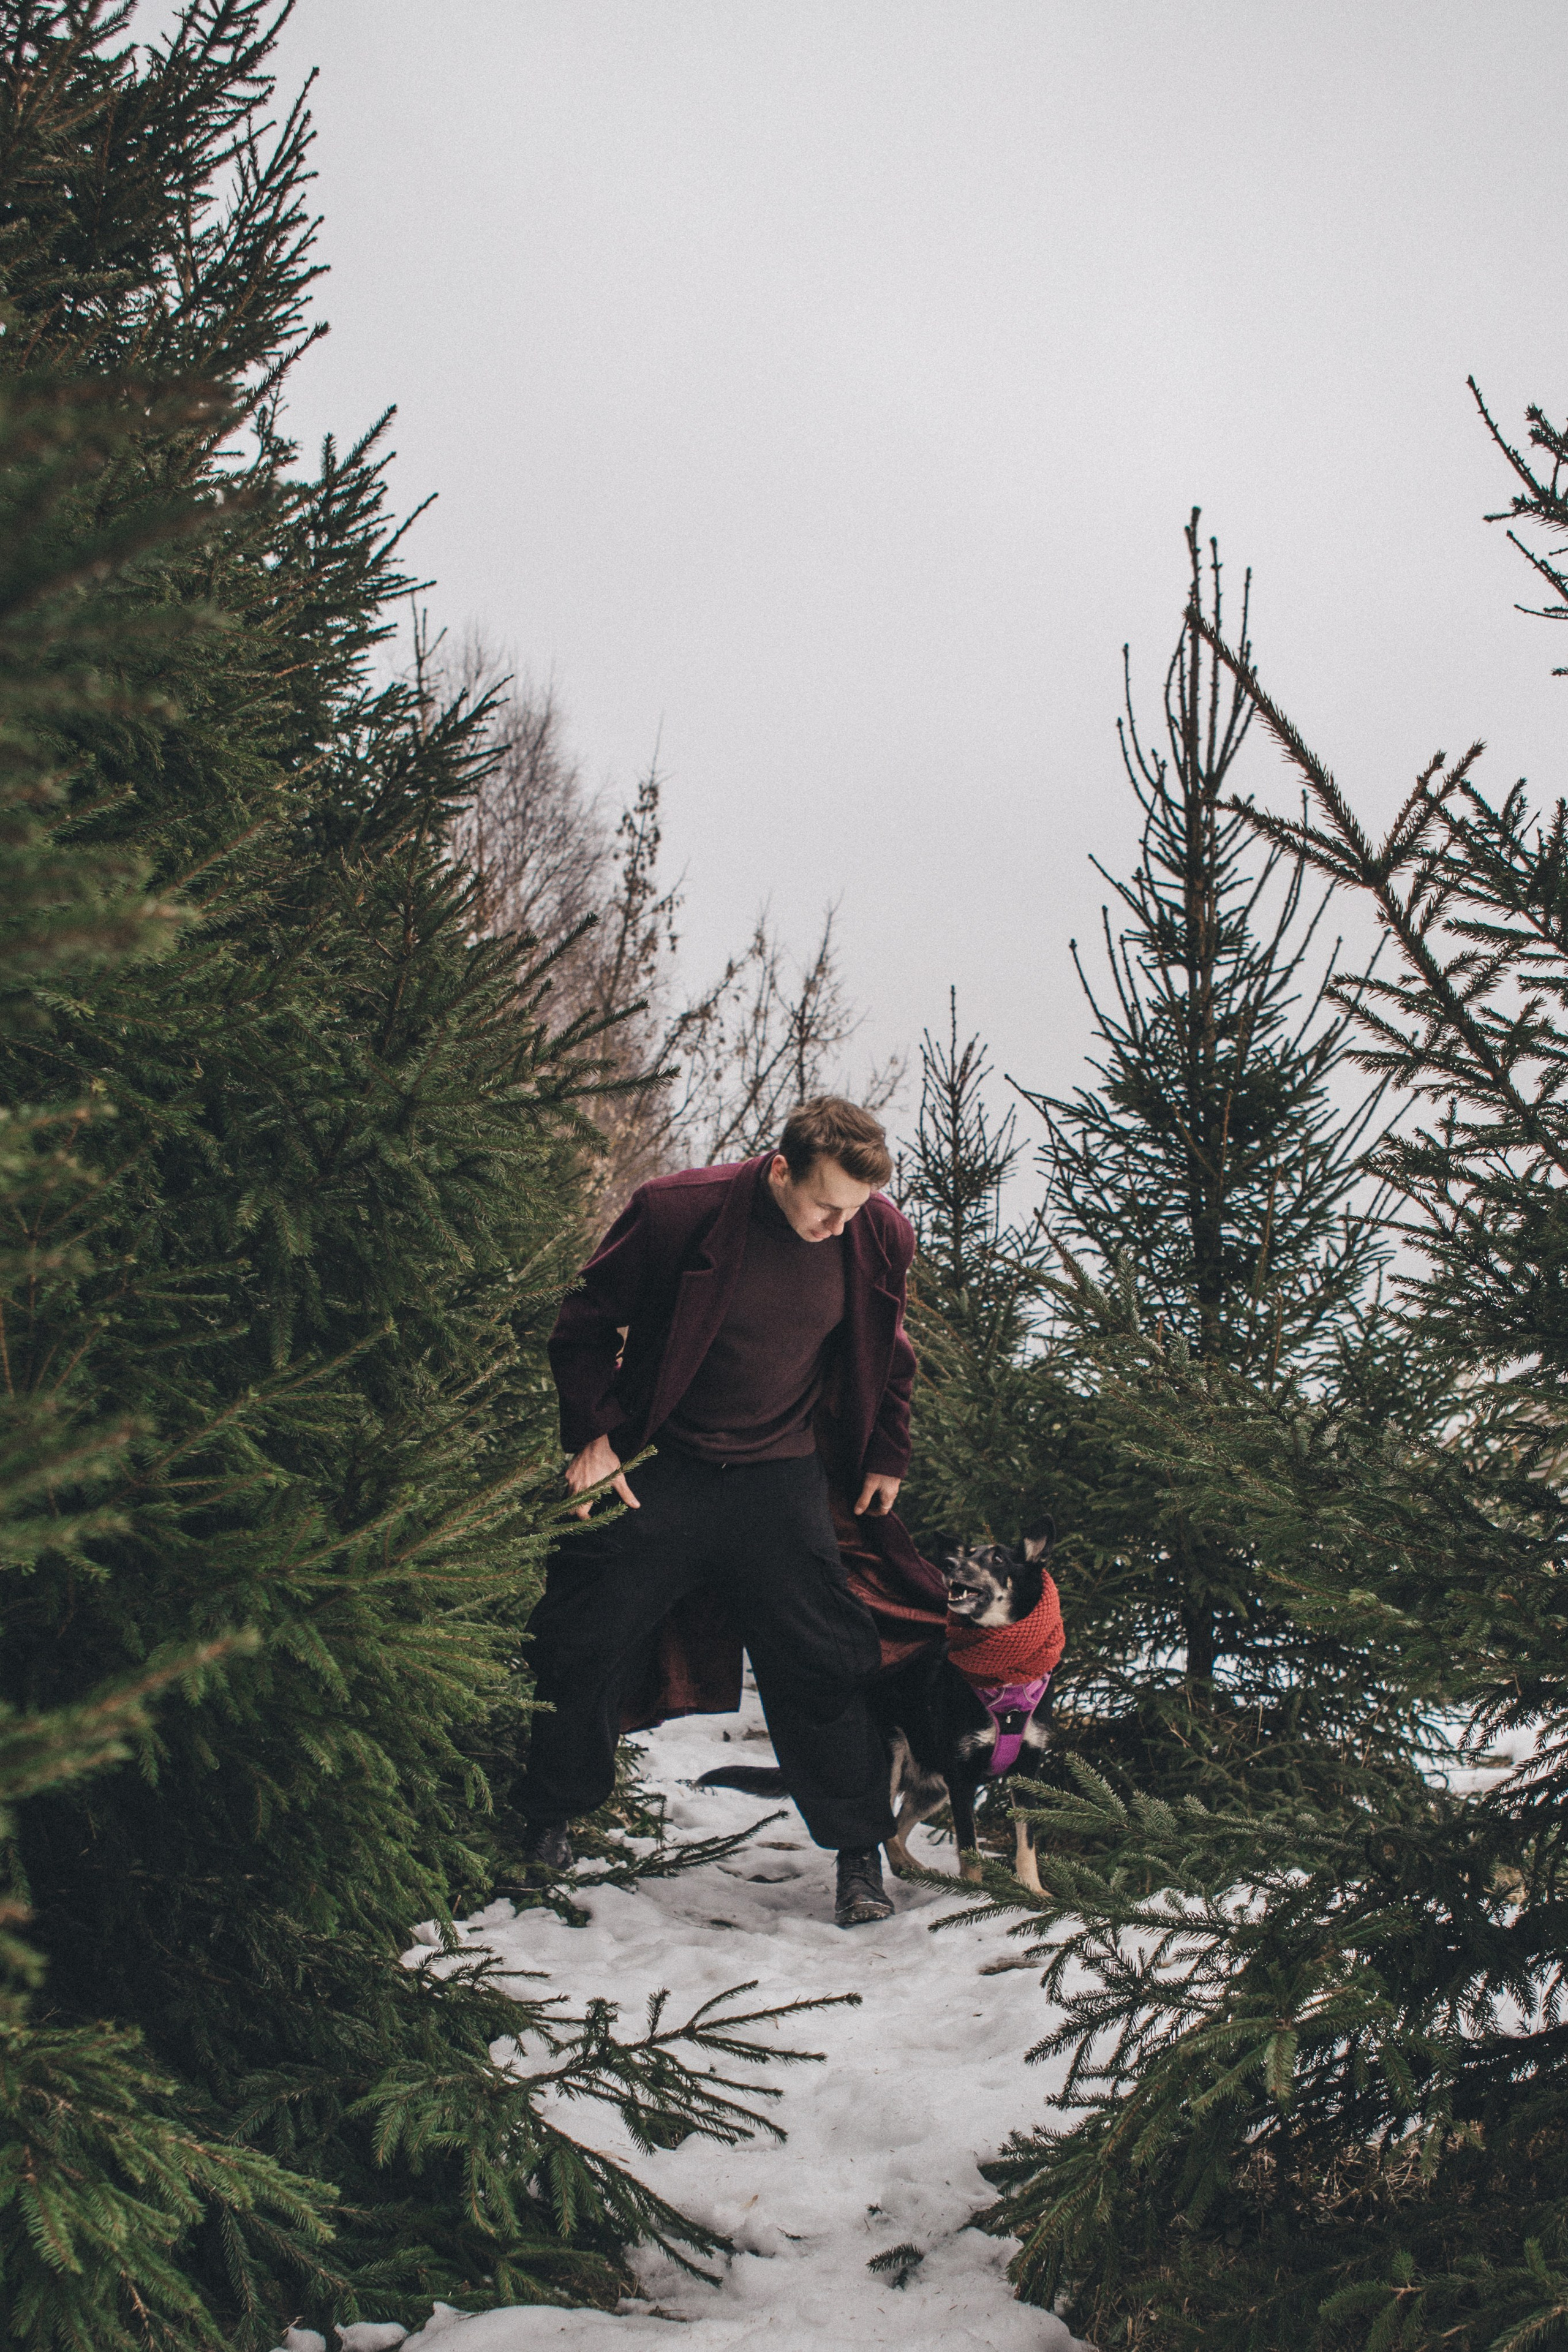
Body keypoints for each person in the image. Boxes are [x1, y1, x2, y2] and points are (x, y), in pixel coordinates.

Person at [519, 1095, 916, 1928]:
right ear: (780, 1169)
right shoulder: (677, 1214)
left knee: (825, 1658)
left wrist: (886, 1449)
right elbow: (583, 1322)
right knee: (583, 1633)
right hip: (667, 1467)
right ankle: (543, 1827)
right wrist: (593, 1433)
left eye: (855, 1209)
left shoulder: (876, 1231)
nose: (840, 1225)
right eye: (825, 1206)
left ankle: (857, 1856)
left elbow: (889, 1348)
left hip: (781, 1478)